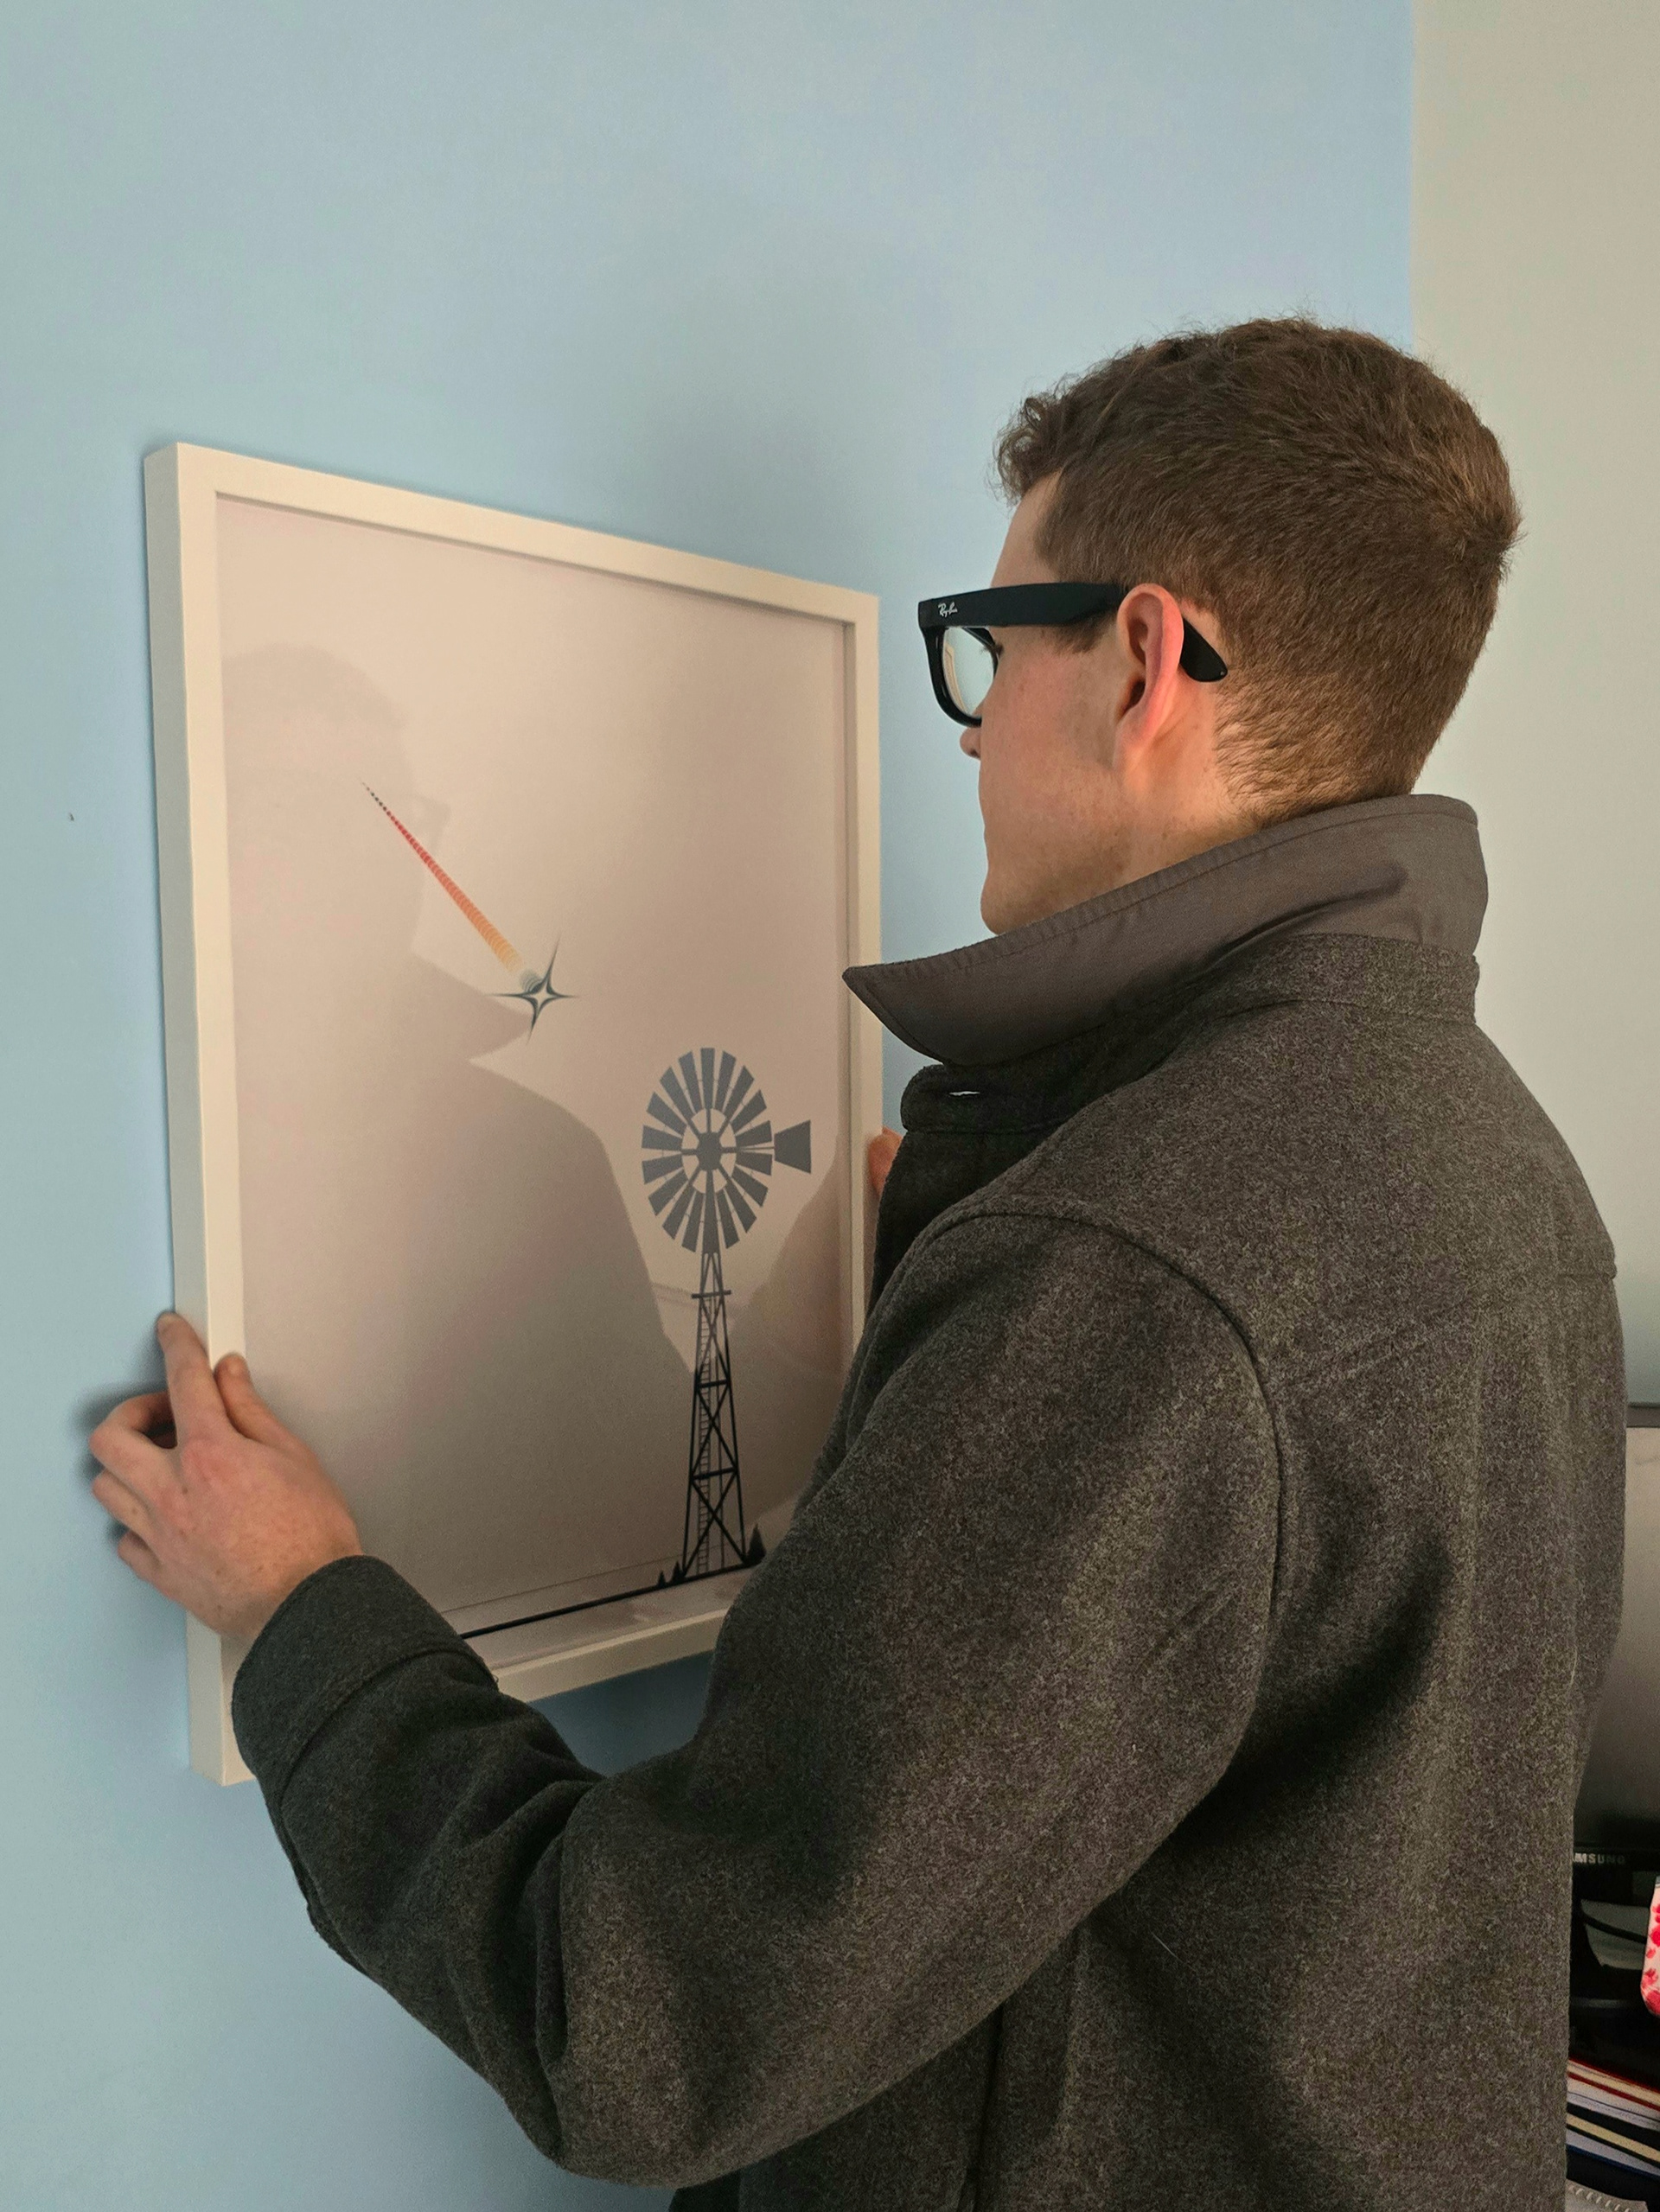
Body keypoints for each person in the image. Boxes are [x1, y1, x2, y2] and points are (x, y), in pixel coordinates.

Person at [89, 318, 1626, 2210]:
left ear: (1145, 659)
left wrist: (302, 1606)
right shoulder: (1488, 1155)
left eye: (993, 647)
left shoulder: (1133, 1270)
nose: (973, 726)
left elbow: (635, 2023)